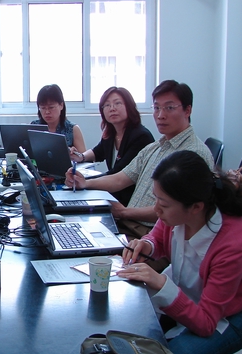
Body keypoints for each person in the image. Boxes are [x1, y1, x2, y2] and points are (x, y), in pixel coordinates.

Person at [117, 150, 242, 354]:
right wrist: (146, 245)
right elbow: (158, 237)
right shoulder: (180, 212)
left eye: (163, 204)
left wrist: (161, 284)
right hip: (194, 295)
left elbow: (206, 323)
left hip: (233, 315)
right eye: (156, 199)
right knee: (128, 324)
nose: (156, 209)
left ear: (196, 207)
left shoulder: (235, 243)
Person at [66, 80, 214, 240]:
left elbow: (177, 210)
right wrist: (84, 183)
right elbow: (120, 179)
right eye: (156, 108)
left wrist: (124, 212)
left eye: (169, 108)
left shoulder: (194, 154)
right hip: (128, 224)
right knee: (70, 231)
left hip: (150, 234)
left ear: (187, 110)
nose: (160, 115)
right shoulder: (155, 147)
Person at [70, 86, 154, 205]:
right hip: (114, 195)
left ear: (129, 106)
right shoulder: (111, 133)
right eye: (107, 105)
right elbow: (98, 152)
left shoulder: (140, 136)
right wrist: (81, 156)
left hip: (131, 200)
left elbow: (118, 174)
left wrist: (84, 181)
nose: (112, 108)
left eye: (117, 103)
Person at [30, 84, 86, 153]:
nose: (47, 112)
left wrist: (74, 154)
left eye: (51, 107)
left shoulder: (72, 129)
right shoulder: (34, 127)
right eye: (43, 108)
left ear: (61, 105)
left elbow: (84, 157)